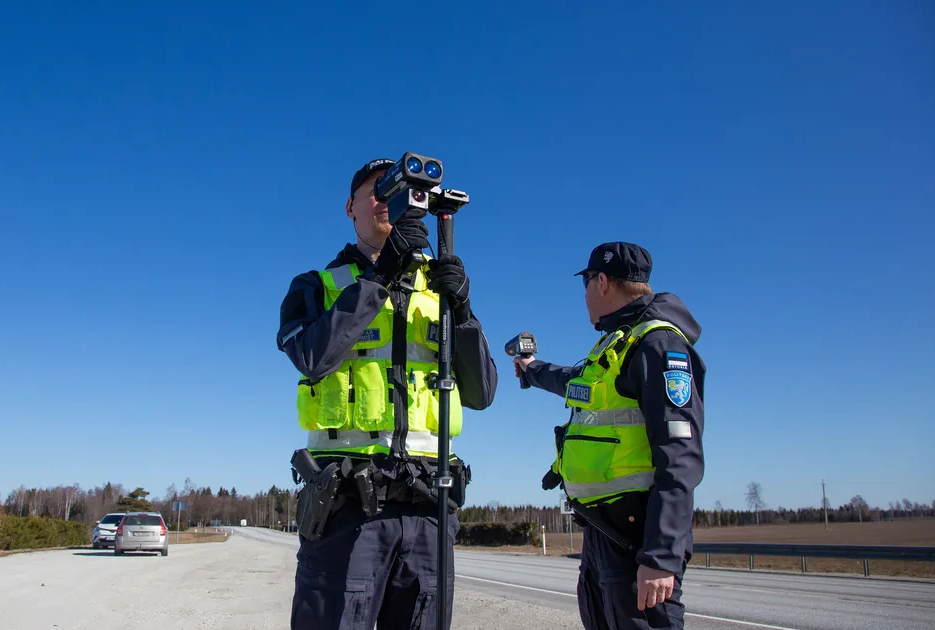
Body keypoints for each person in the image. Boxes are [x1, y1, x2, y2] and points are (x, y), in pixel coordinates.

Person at [277, 157, 499, 629]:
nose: (385, 200)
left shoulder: (436, 290)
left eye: (393, 190)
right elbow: (312, 357)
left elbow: (482, 392)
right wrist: (378, 279)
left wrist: (463, 313)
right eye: (374, 191)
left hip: (429, 506)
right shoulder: (318, 286)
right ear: (349, 208)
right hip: (348, 507)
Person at [513, 242, 705, 629]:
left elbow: (680, 457)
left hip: (637, 541)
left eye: (585, 284)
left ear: (601, 281)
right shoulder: (617, 345)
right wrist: (532, 370)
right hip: (604, 534)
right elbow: (576, 384)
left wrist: (661, 557)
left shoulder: (658, 345)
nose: (583, 296)